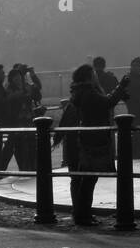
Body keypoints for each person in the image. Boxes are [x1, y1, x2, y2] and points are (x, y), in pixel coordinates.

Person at [54, 64, 129, 226]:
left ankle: (80, 213)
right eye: (93, 73)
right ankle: (83, 215)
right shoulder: (89, 93)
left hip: (79, 141)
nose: (96, 76)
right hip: (91, 141)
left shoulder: (78, 93)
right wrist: (120, 87)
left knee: (80, 179)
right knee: (88, 179)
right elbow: (107, 102)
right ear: (88, 76)